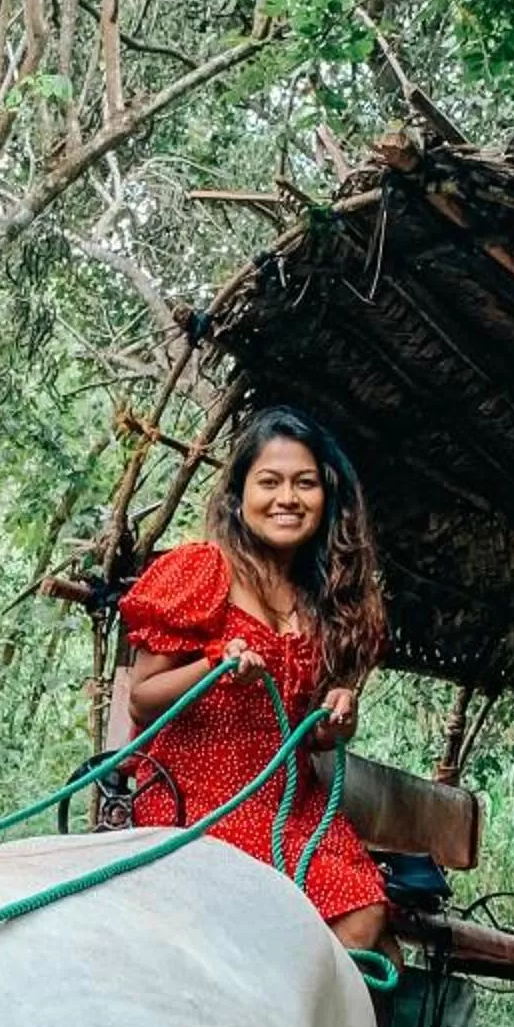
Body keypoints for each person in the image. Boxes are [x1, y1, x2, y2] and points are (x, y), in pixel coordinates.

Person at [119, 404, 391, 952]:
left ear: (326, 497)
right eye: (269, 482)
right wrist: (213, 669)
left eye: (304, 484)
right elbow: (143, 701)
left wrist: (335, 717)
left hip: (290, 809)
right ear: (239, 497)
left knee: (371, 921)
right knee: (320, 917)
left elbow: (307, 731)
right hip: (199, 803)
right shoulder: (202, 568)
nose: (287, 498)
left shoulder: (325, 604)